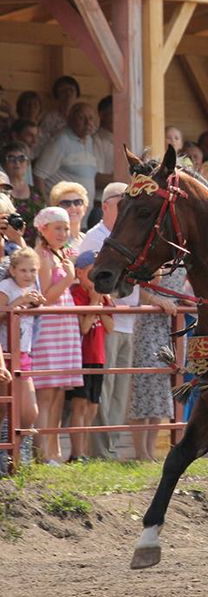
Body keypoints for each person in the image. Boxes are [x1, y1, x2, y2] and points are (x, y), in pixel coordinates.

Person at [76, 182, 137, 458]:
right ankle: (99, 450)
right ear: (106, 206)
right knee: (105, 388)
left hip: (127, 321)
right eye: (121, 202)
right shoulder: (95, 237)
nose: (126, 208)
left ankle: (110, 448)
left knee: (119, 392)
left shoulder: (127, 233)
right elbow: (89, 278)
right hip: (107, 321)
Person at [30, 207, 83, 464]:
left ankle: (53, 450)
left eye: (65, 228)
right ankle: (42, 453)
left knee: (58, 393)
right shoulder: (42, 256)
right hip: (50, 328)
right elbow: (45, 297)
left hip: (64, 327)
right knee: (46, 393)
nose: (63, 233)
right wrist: (69, 276)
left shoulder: (59, 254)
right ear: (44, 229)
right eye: (57, 228)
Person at [129, 264, 186, 462]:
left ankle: (150, 451)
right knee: (144, 387)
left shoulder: (183, 259)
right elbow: (136, 288)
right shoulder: (154, 256)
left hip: (172, 325)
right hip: (149, 324)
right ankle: (140, 452)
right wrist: (157, 301)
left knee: (161, 392)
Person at [66, 250, 112, 462]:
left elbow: (110, 326)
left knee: (93, 406)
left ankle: (83, 452)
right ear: (79, 273)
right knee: (80, 404)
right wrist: (94, 303)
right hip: (81, 356)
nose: (96, 279)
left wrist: (99, 303)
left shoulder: (103, 296)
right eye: (92, 273)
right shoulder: (76, 294)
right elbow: (84, 327)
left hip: (98, 356)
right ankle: (76, 453)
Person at [0, 247, 42, 459]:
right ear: (13, 270)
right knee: (3, 407)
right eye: (24, 270)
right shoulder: (6, 287)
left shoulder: (33, 287)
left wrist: (36, 305)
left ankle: (14, 455)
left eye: (33, 270)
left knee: (29, 413)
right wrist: (18, 303)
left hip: (23, 352)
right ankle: (6, 457)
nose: (28, 275)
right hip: (4, 352)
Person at [34, 101, 102, 206]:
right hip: (61, 211)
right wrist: (46, 206)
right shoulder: (61, 141)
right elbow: (39, 175)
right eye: (81, 118)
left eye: (91, 118)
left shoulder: (89, 140)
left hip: (80, 213)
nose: (88, 122)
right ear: (70, 120)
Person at [1, 142, 42, 241]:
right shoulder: (2, 194)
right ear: (3, 164)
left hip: (37, 245)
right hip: (9, 244)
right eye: (11, 159)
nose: (17, 163)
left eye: (21, 158)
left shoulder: (36, 193)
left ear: (28, 163)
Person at [48, 180, 88, 252]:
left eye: (77, 202)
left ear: (85, 208)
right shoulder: (52, 241)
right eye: (65, 204)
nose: (73, 207)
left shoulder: (87, 239)